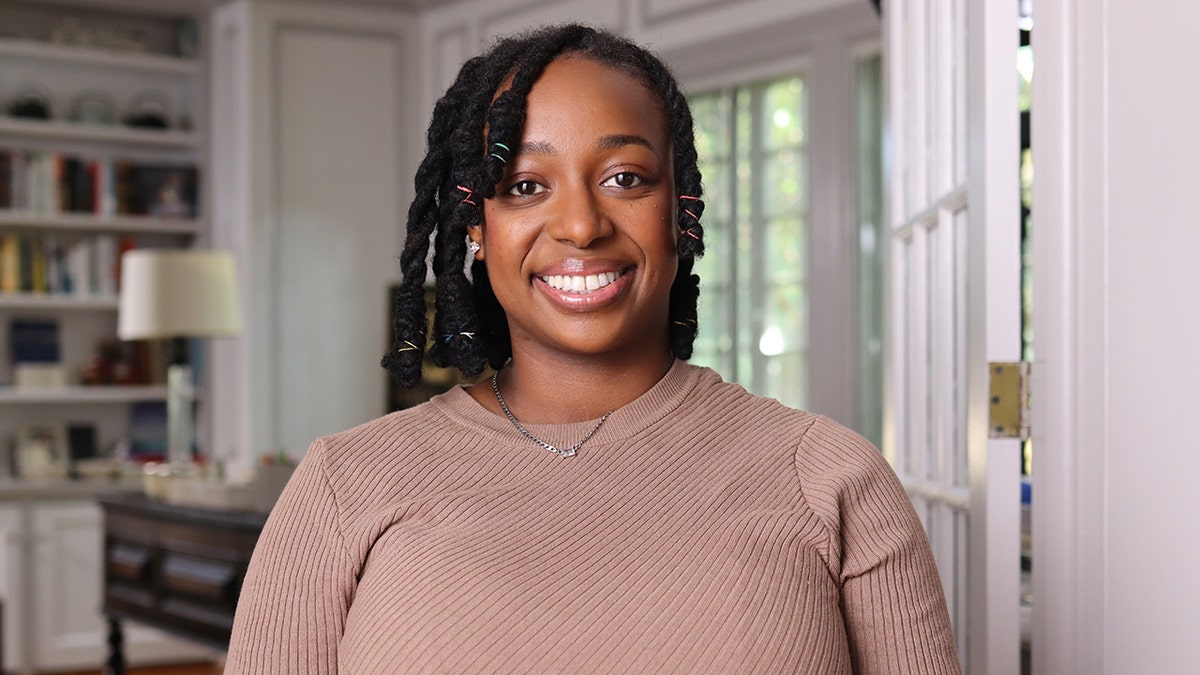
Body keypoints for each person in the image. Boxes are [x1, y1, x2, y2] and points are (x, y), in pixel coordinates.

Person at [226, 24, 961, 674]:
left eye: (624, 178)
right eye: (522, 184)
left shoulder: (829, 479)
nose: (580, 225)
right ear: (476, 226)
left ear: (682, 208)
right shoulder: (342, 485)